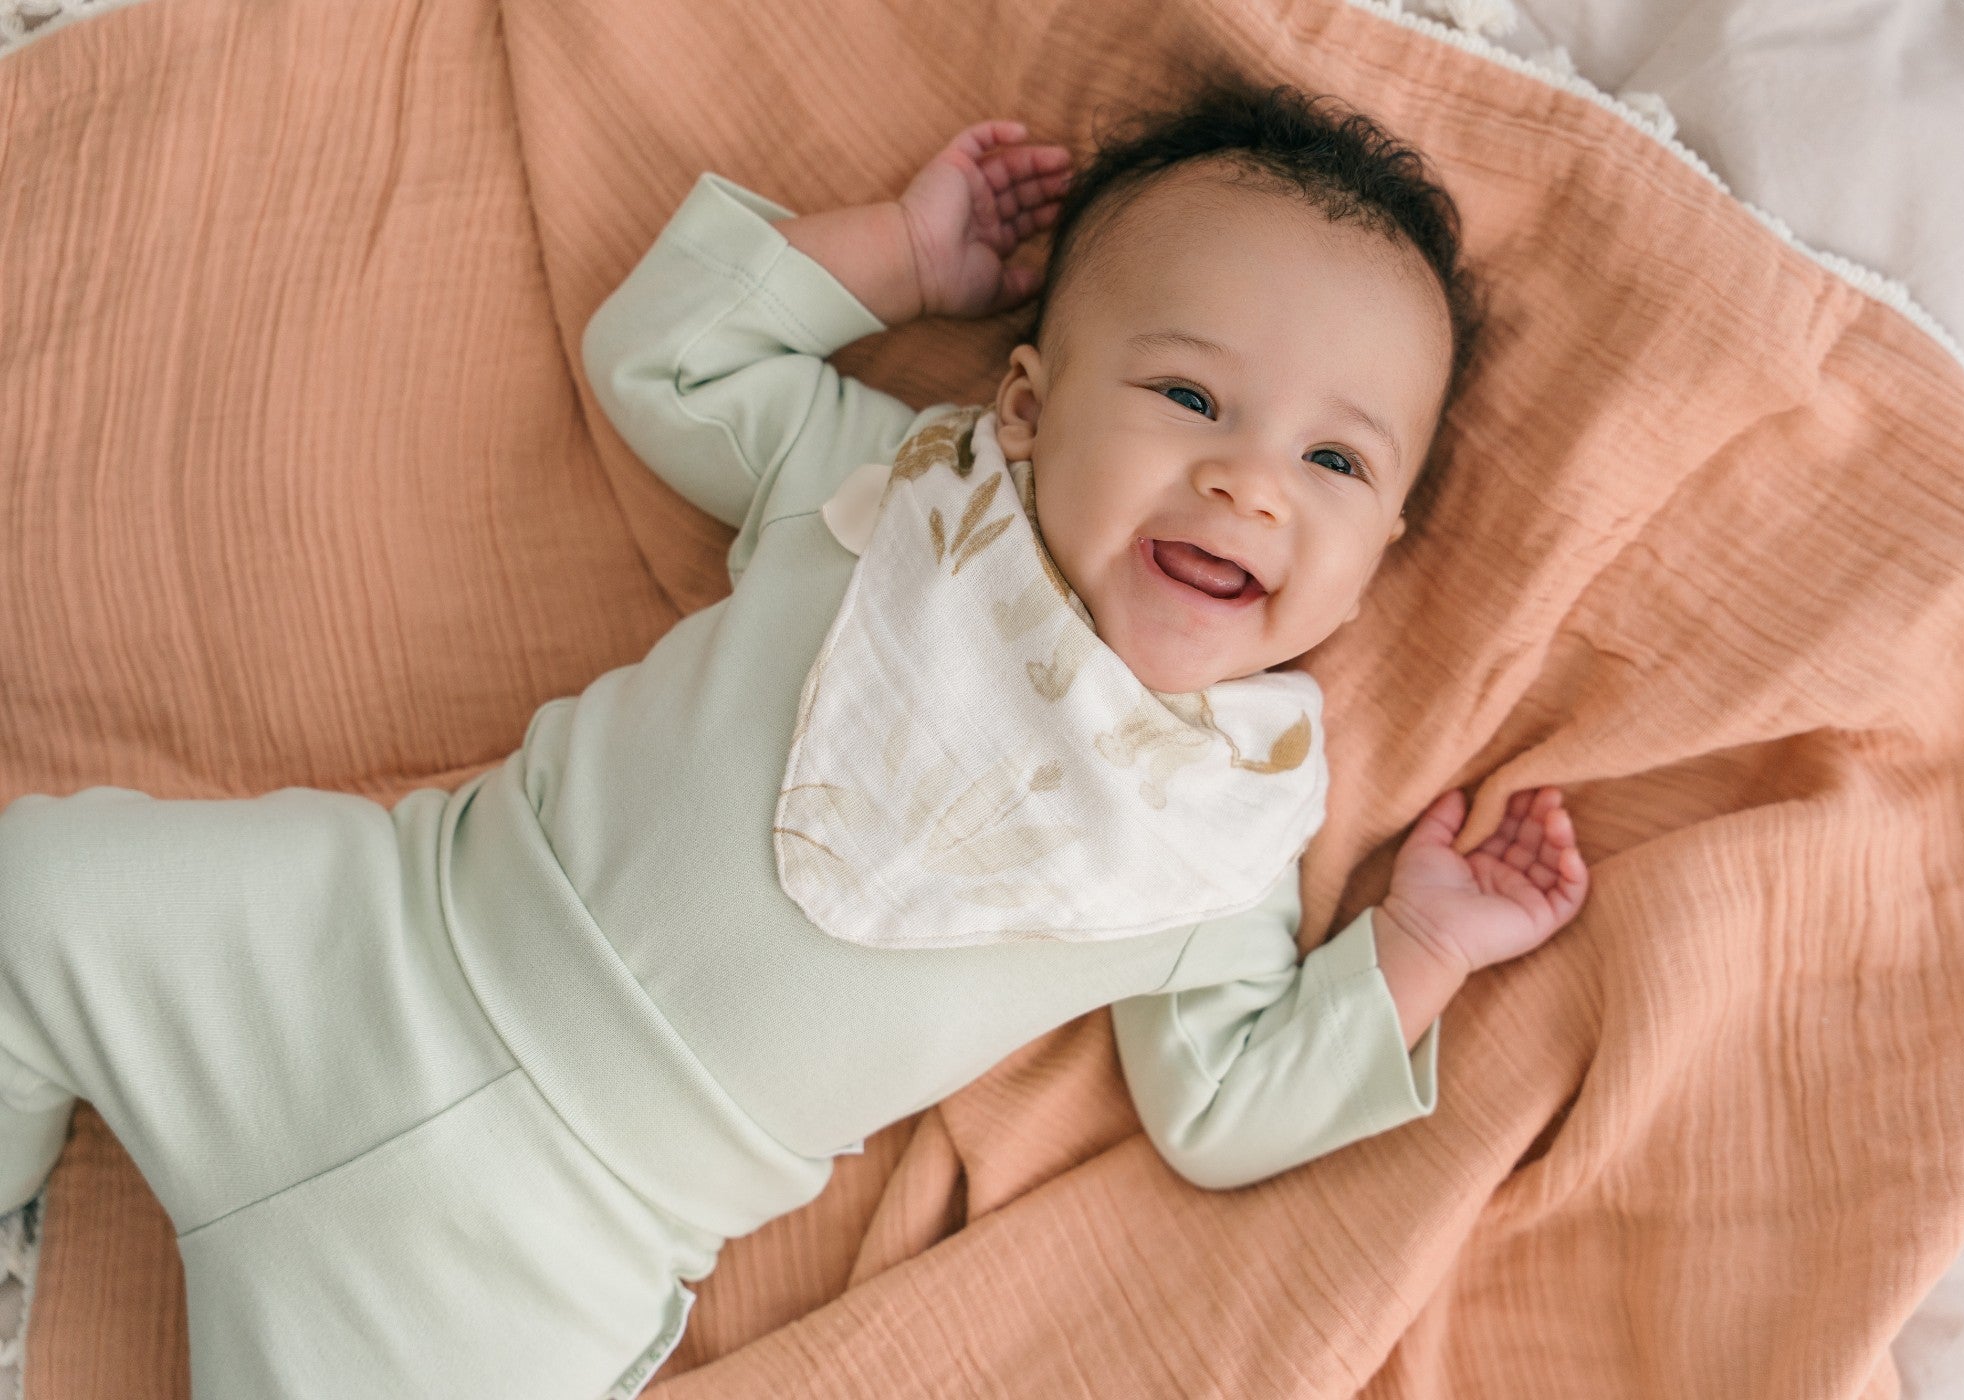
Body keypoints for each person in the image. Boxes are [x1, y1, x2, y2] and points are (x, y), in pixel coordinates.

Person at [0, 78, 1587, 1399]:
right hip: (365, 934)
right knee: (30, 897)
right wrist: (896, 255)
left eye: (1333, 458)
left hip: (545, 1241)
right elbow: (663, 358)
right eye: (1187, 396)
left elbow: (1227, 1109)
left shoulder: (1212, 845)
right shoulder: (891, 486)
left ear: (1384, 545)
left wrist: (1421, 946)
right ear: (1025, 405)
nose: (1250, 482)